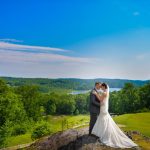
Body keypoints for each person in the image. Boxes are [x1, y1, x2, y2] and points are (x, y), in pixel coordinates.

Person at [91, 83, 138, 148]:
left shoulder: (104, 93)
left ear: (104, 87)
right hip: (104, 107)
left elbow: (101, 99)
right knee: (104, 119)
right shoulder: (106, 92)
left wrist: (96, 94)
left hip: (103, 107)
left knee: (103, 119)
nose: (101, 88)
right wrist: (98, 94)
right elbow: (102, 99)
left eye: (101, 87)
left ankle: (104, 133)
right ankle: (103, 132)